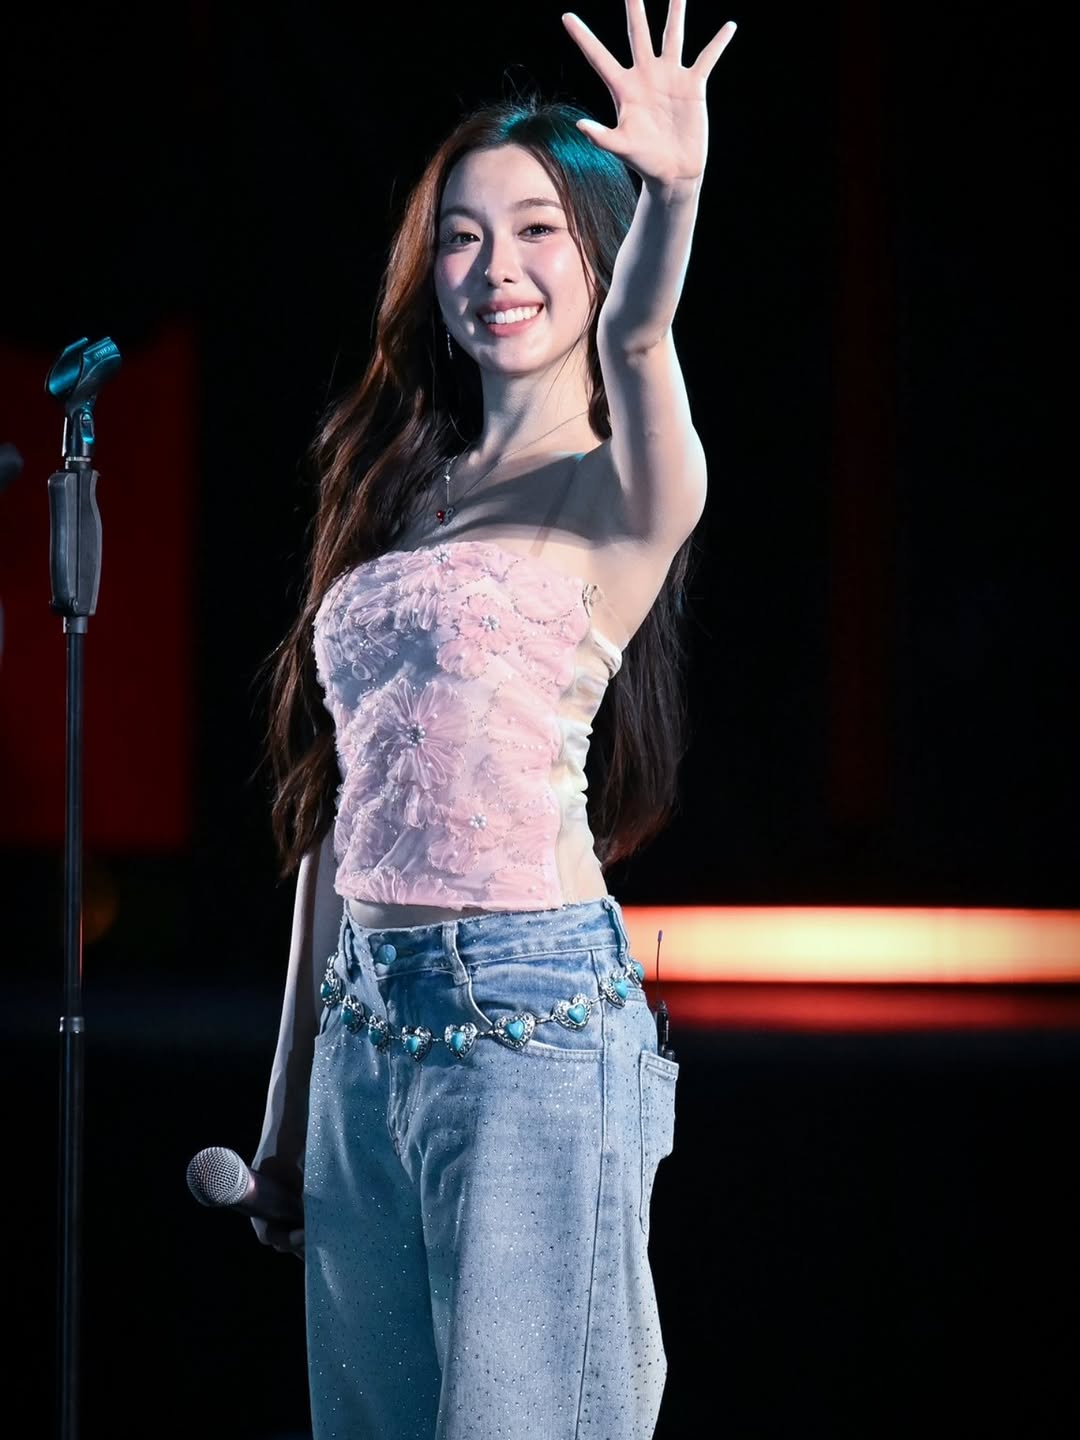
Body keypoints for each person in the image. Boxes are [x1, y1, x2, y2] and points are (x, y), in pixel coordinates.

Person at [251, 4, 736, 1435]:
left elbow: (642, 334)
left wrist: (675, 189)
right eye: (461, 236)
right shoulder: (397, 495)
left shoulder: (624, 487)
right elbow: (340, 811)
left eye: (536, 231)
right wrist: (288, 1106)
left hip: (527, 1018)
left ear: (596, 254)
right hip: (360, 1035)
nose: (495, 267)